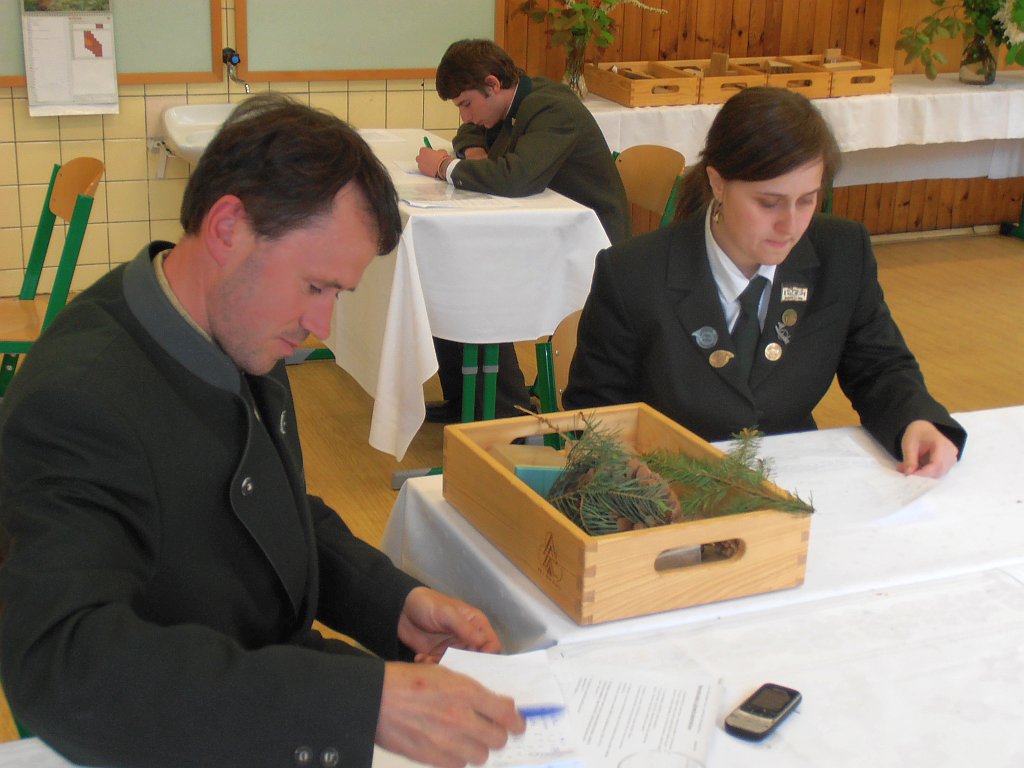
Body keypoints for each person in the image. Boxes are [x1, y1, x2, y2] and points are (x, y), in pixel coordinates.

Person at [0, 93, 524, 768]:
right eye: (315, 286)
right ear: (228, 228)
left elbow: (270, 506)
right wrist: (352, 705)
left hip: (267, 688)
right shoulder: (79, 402)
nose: (320, 325)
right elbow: (65, 665)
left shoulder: (234, 323)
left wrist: (392, 603)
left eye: (337, 294)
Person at [562, 87, 966, 478]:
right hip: (672, 485)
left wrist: (915, 420)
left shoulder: (841, 254)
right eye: (769, 203)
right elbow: (595, 411)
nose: (790, 225)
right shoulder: (634, 274)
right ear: (718, 183)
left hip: (796, 478)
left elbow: (879, 366)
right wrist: (628, 472)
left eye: (807, 200)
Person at [416, 38, 631, 423]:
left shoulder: (553, 108)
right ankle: (467, 399)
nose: (464, 115)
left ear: (493, 84)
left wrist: (445, 167)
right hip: (542, 230)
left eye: (466, 103)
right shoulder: (514, 102)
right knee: (447, 266)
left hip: (588, 244)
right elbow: (469, 133)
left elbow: (517, 178)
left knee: (473, 276)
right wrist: (473, 152)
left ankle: (506, 413)